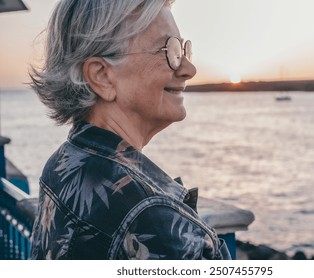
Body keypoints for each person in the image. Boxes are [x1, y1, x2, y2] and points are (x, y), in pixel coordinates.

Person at [29, 0, 231, 260]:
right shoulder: (149, 217)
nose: (189, 70)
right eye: (169, 51)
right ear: (102, 76)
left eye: (183, 50)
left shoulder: (66, 161)